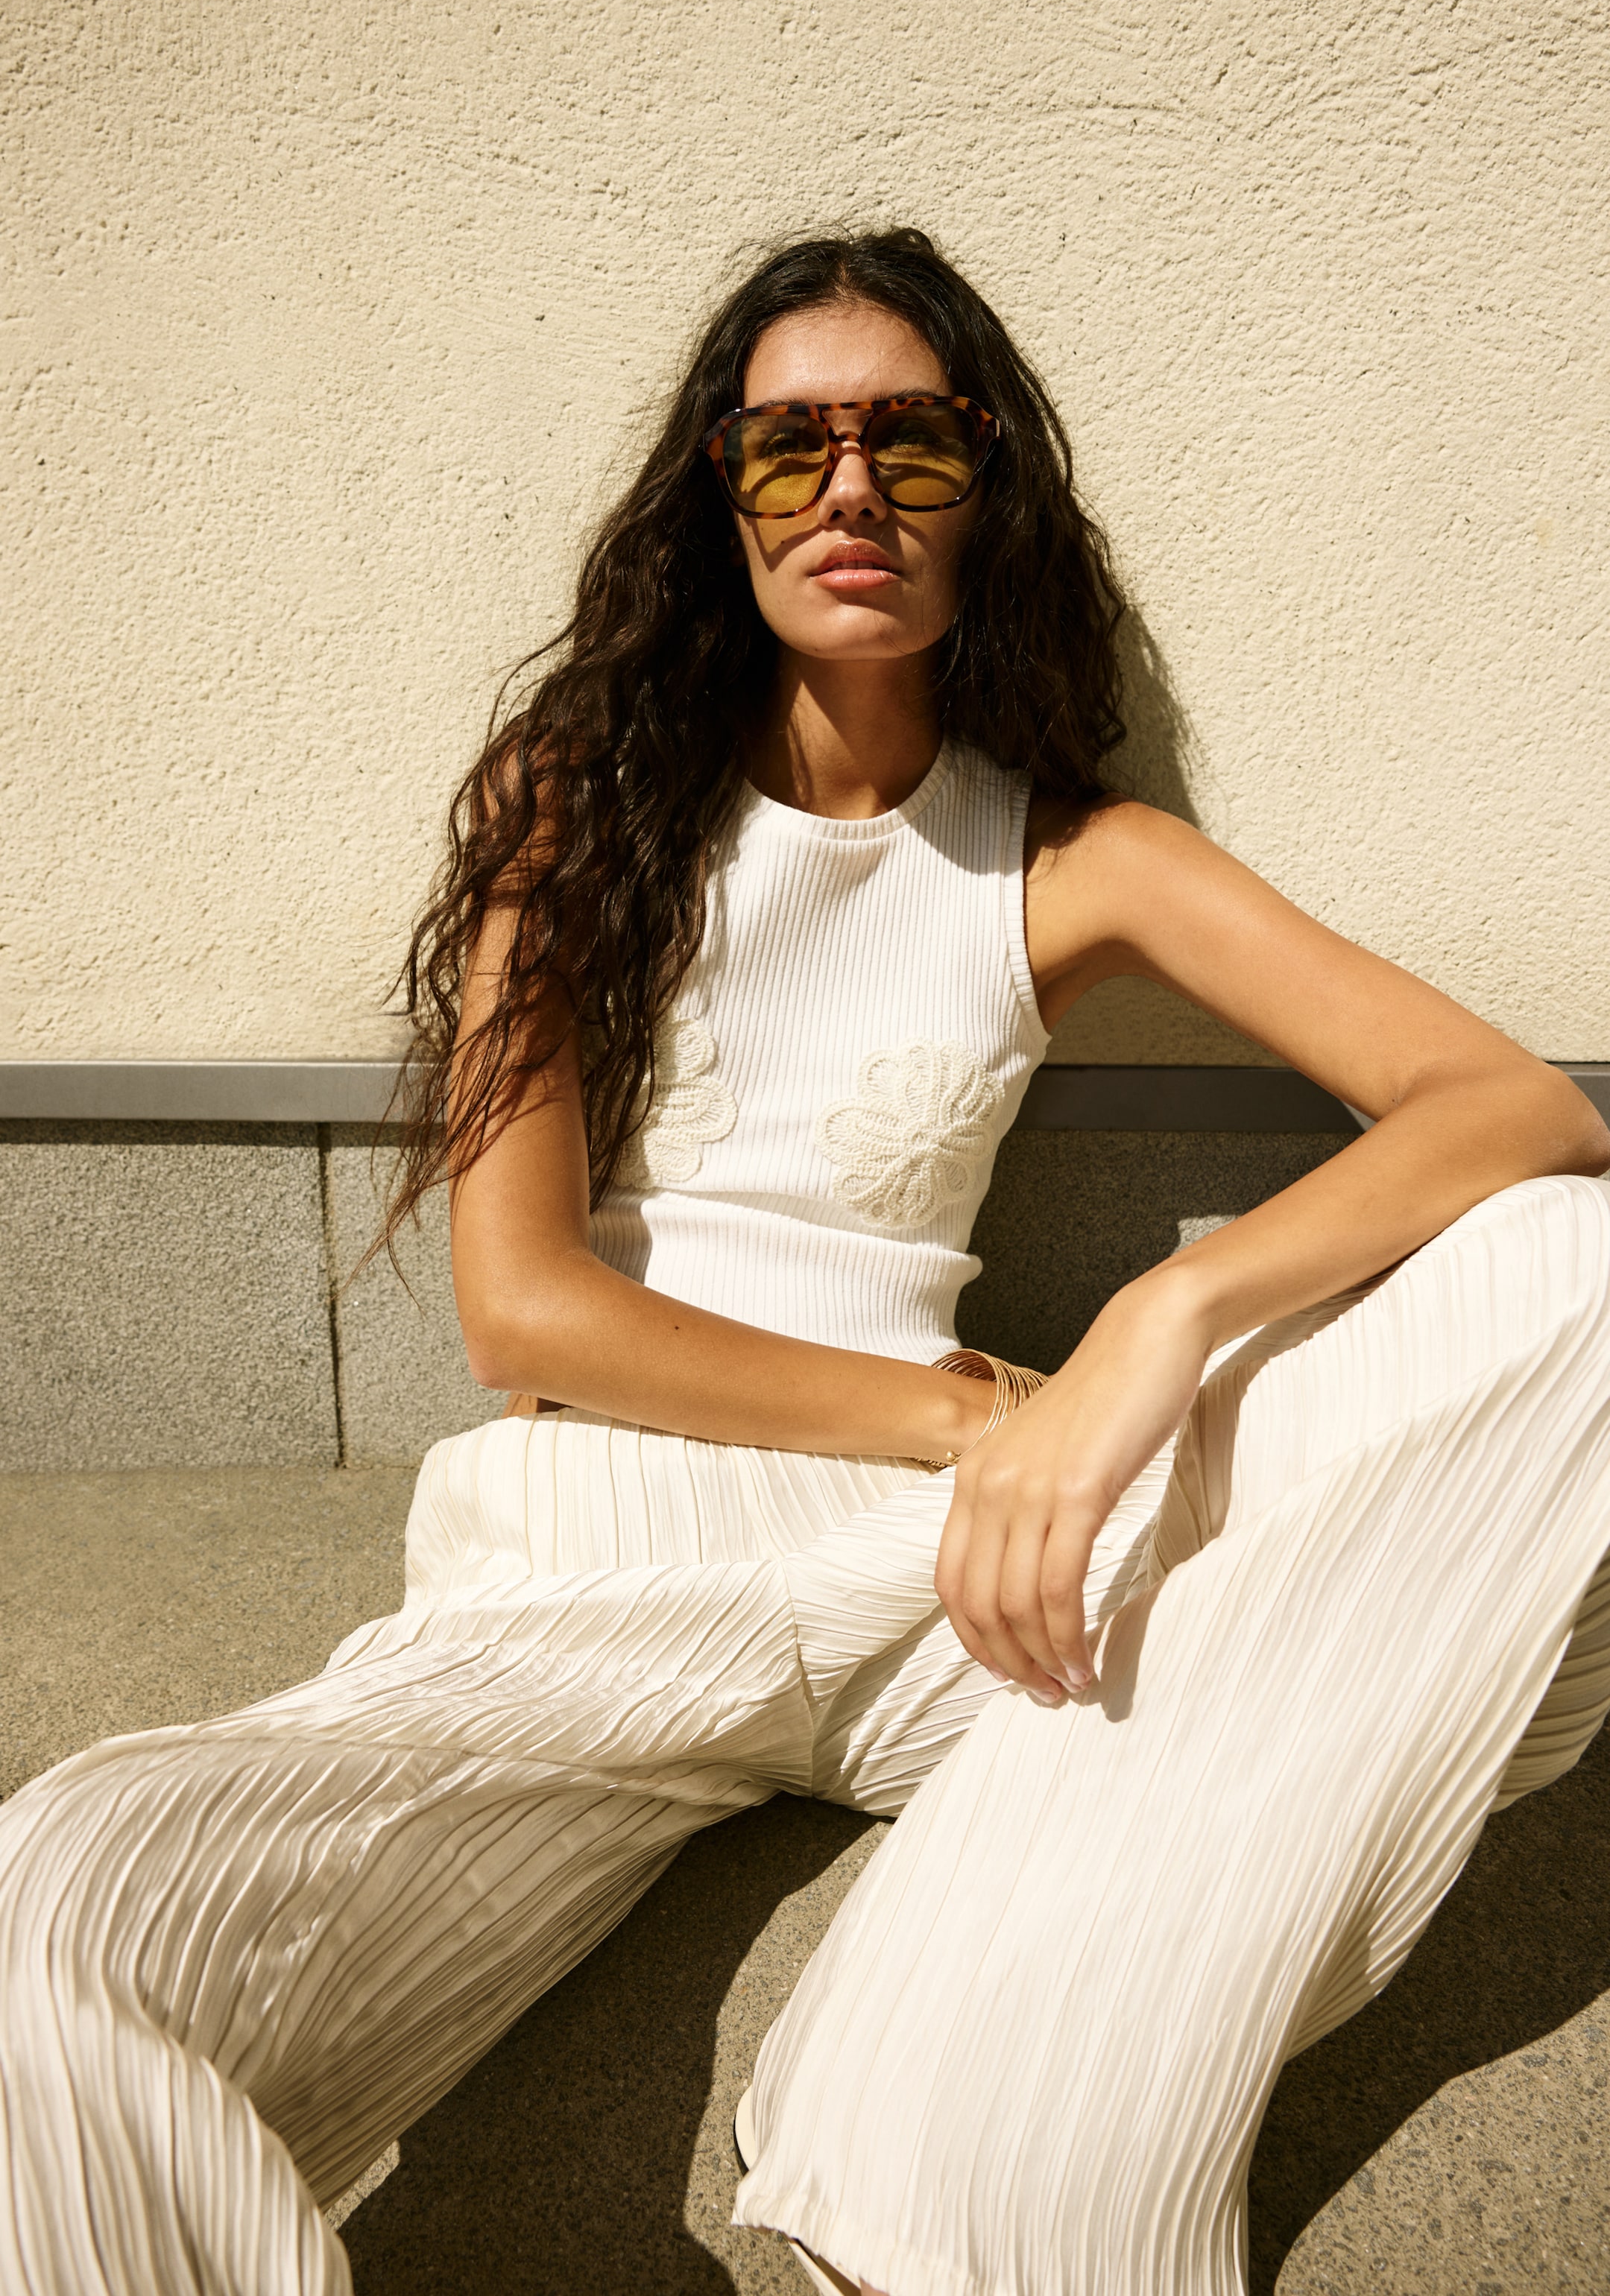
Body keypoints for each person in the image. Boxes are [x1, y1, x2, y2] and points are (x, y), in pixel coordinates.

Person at [1, 228, 1607, 2296]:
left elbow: (1516, 1110)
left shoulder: (1073, 854)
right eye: (789, 448)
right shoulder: (575, 809)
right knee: (61, 1908)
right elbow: (524, 1310)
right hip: (605, 1558)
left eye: (911, 444)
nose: (850, 490)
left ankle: (942, 2146)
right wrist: (970, 1414)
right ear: (724, 497)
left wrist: (1158, 1322)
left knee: (1566, 1275)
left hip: (958, 1584)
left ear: (984, 490)